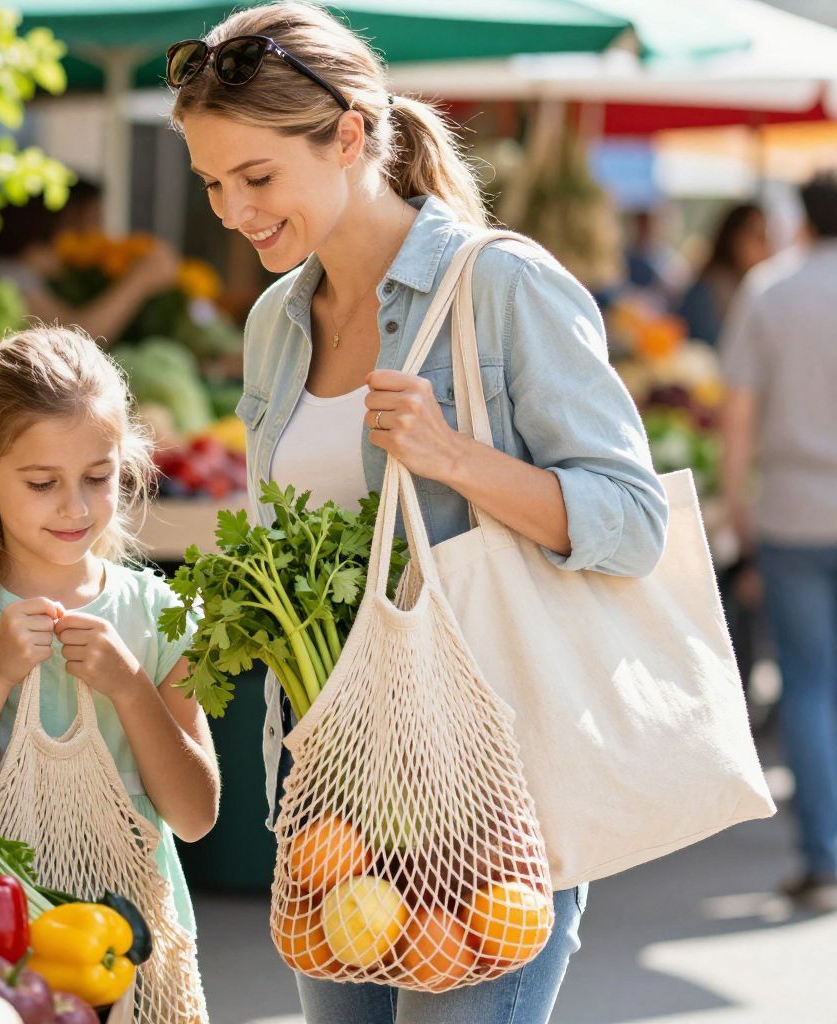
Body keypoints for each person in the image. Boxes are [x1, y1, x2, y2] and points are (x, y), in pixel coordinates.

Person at [167, 3, 667, 1021]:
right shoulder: (274, 324)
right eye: (213, 183)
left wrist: (453, 458)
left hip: (491, 796)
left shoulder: (502, 285)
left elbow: (633, 522)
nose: (232, 210)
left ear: (350, 136)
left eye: (256, 177)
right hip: (330, 791)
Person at [0, 325, 221, 935]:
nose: (75, 507)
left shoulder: (158, 613)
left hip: (130, 944)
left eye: (98, 477)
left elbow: (195, 817)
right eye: (42, 483)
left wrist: (131, 686)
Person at [719, 172, 837, 913]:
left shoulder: (770, 290)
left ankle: (824, 858)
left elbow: (737, 415)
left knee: (808, 683)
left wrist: (739, 510)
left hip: (793, 512)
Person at [0, 183, 183, 343]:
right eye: (83, 224)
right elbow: (75, 338)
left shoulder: (28, 277)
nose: (93, 236)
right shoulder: (6, 278)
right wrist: (140, 280)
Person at [675, 202, 771, 345]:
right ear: (735, 239)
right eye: (759, 237)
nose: (767, 246)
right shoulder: (707, 290)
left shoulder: (758, 286)